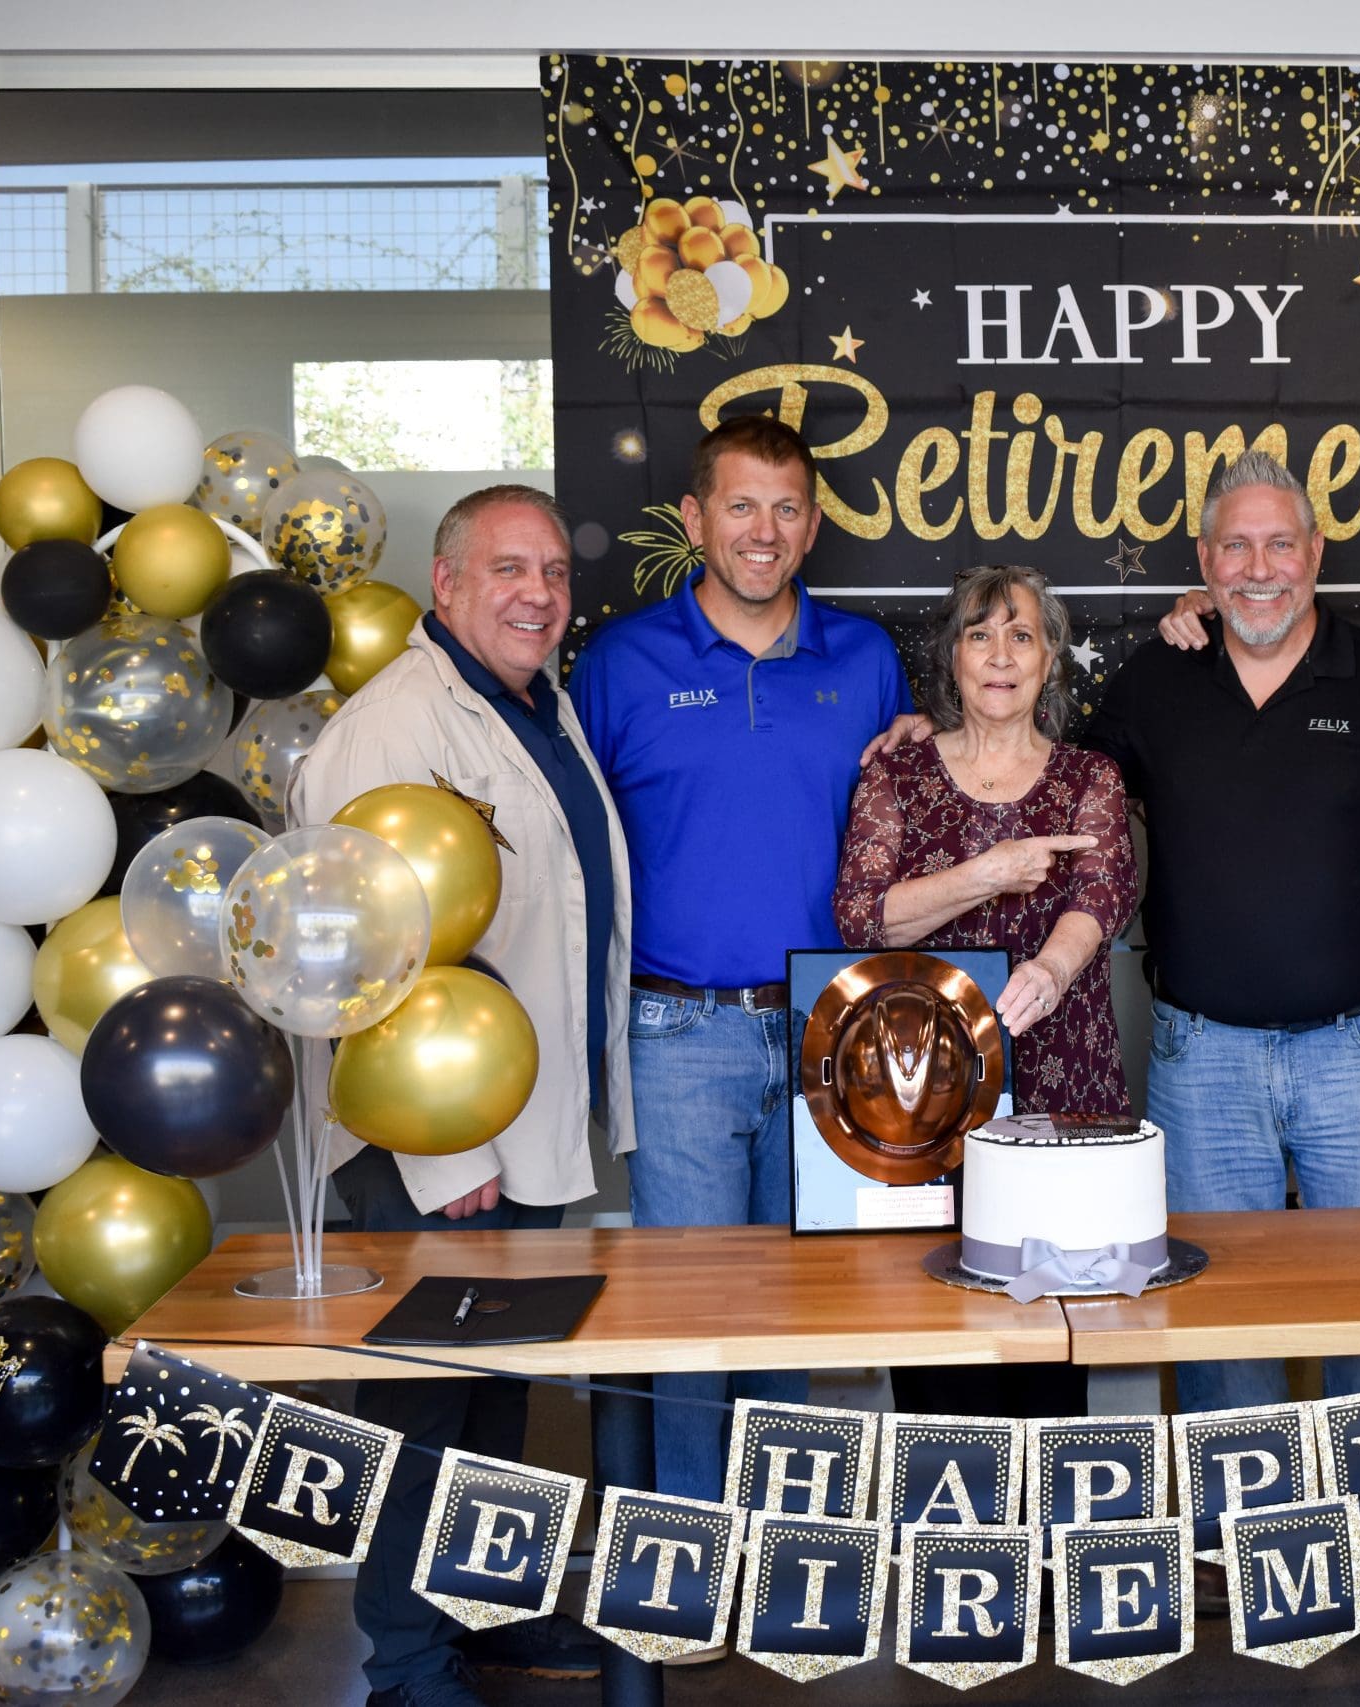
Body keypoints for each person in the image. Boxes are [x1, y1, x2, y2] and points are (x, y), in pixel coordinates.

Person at [290, 484, 633, 1707]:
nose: (537, 593)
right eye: (506, 570)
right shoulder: (391, 731)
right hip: (435, 1143)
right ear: (444, 586)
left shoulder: (536, 706)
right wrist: (441, 1156)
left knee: (497, 1405)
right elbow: (349, 956)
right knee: (427, 1417)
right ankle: (407, 1665)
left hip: (517, 1126)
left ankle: (488, 1614)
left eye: (552, 571)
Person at [567, 416, 919, 1515]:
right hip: (678, 1033)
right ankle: (688, 1560)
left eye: (784, 509)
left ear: (812, 526)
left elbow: (911, 820)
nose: (762, 532)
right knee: (689, 1312)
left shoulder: (864, 659)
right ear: (694, 519)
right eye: (739, 506)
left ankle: (780, 1560)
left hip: (830, 1026)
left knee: (792, 1307)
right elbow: (568, 848)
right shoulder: (622, 664)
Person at [1092, 451, 1360, 1420]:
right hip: (1201, 1061)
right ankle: (1233, 1549)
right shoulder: (1157, 676)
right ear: (1203, 558)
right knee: (1218, 1317)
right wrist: (931, 742)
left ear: (1315, 552)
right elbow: (1055, 786)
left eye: (1279, 542)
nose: (1258, 565)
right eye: (1234, 546)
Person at [835, 563, 1134, 1414]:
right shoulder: (899, 774)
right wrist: (989, 872)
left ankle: (1046, 1546)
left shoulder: (1089, 777)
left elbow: (1102, 896)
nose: (999, 656)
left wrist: (1051, 967)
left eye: (1022, 635)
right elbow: (864, 918)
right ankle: (948, 1545)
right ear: (951, 658)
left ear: (1050, 661)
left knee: (1051, 1345)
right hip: (919, 1100)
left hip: (1062, 1087)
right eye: (979, 634)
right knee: (932, 1335)